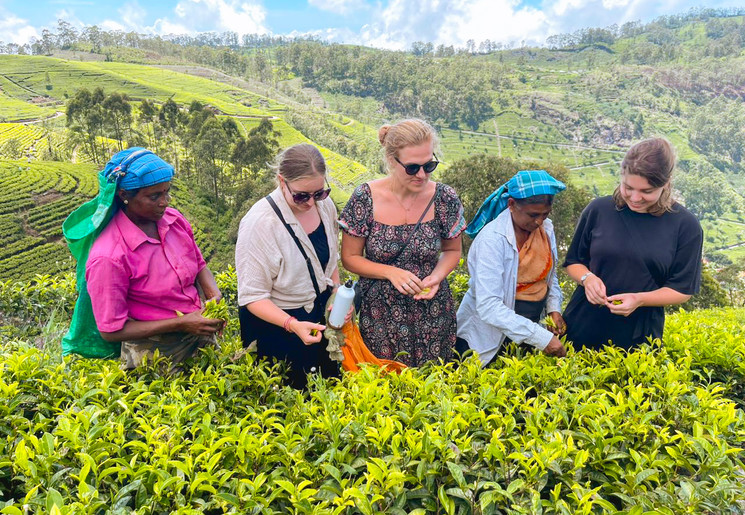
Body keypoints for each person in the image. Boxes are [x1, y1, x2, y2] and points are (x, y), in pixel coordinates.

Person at [339, 119, 465, 367]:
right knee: (383, 386)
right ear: (391, 160)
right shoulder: (365, 198)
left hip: (434, 313)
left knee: (433, 387)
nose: (422, 175)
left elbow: (452, 250)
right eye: (412, 168)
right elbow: (350, 258)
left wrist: (437, 277)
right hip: (380, 317)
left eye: (429, 165)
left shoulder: (444, 198)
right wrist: (390, 273)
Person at [86, 148, 224, 372]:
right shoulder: (109, 256)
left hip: (198, 333)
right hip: (153, 354)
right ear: (124, 196)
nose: (165, 202)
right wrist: (181, 323)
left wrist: (213, 294)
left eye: (167, 192)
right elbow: (110, 331)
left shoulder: (174, 221)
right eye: (154, 196)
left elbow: (199, 264)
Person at [562, 137, 703, 350]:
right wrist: (587, 278)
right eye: (628, 187)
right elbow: (573, 261)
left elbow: (682, 289)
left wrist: (639, 299)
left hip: (639, 337)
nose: (635, 198)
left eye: (646, 191)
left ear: (665, 184)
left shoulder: (686, 225)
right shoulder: (598, 210)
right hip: (581, 325)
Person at [235, 143, 343, 389]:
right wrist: (292, 325)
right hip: (277, 326)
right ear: (281, 181)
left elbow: (329, 263)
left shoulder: (325, 207)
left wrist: (336, 293)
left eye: (319, 193)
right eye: (301, 195)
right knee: (289, 399)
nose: (310, 203)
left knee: (326, 394)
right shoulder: (260, 224)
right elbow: (253, 297)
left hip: (317, 319)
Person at [456, 170, 568, 365]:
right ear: (511, 205)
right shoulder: (492, 240)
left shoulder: (545, 229)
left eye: (545, 214)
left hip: (530, 326)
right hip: (491, 335)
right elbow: (489, 306)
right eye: (533, 215)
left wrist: (553, 309)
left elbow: (549, 276)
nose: (539, 221)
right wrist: (541, 338)